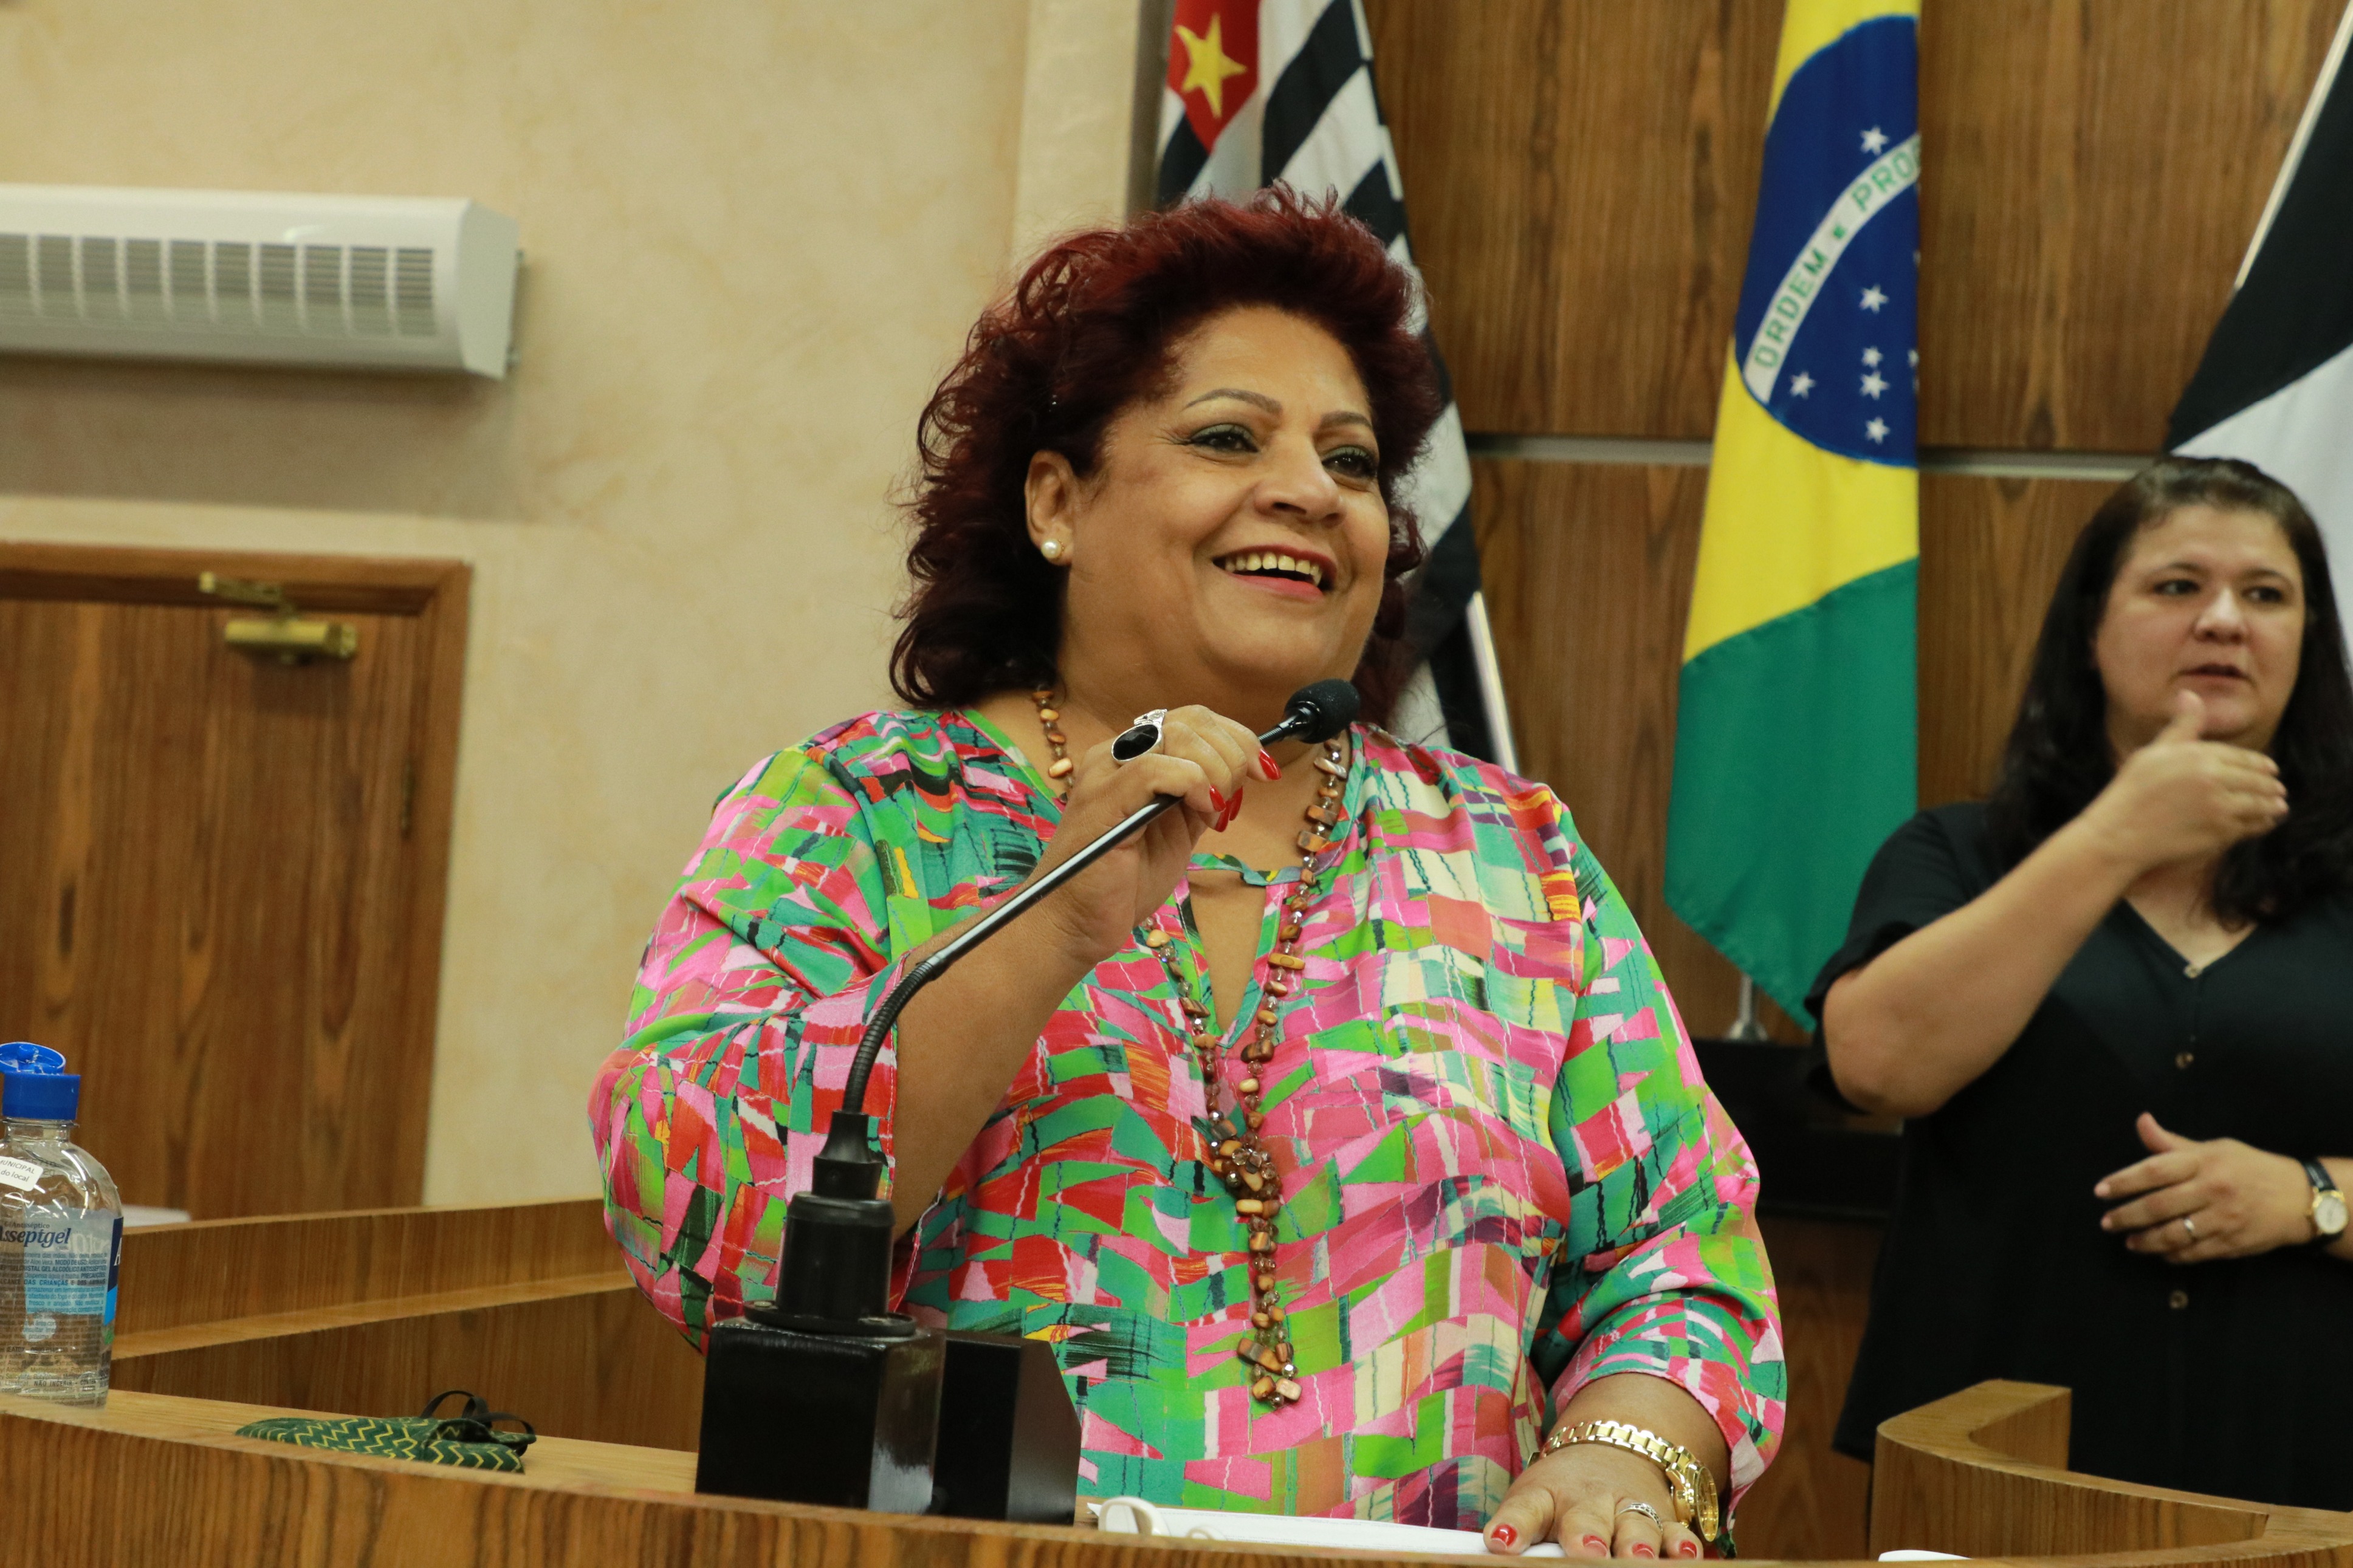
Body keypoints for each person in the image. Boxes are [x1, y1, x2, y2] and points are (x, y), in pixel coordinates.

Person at [589, 191, 1782, 1553]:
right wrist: (1050, 925)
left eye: (1351, 462)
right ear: (1057, 501)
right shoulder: (854, 814)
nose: (1310, 491)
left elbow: (1682, 1254)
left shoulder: (1512, 860)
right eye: (1228, 437)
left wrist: (1622, 1449)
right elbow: (700, 1214)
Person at [1815, 457, 2353, 1510]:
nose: (2224, 620)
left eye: (2265, 594)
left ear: (2307, 638)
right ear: (2090, 632)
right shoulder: (1958, 854)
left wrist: (2311, 1197)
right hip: (1994, 1475)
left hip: (2306, 1480)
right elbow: (1875, 1066)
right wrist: (2116, 836)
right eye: (2177, 585)